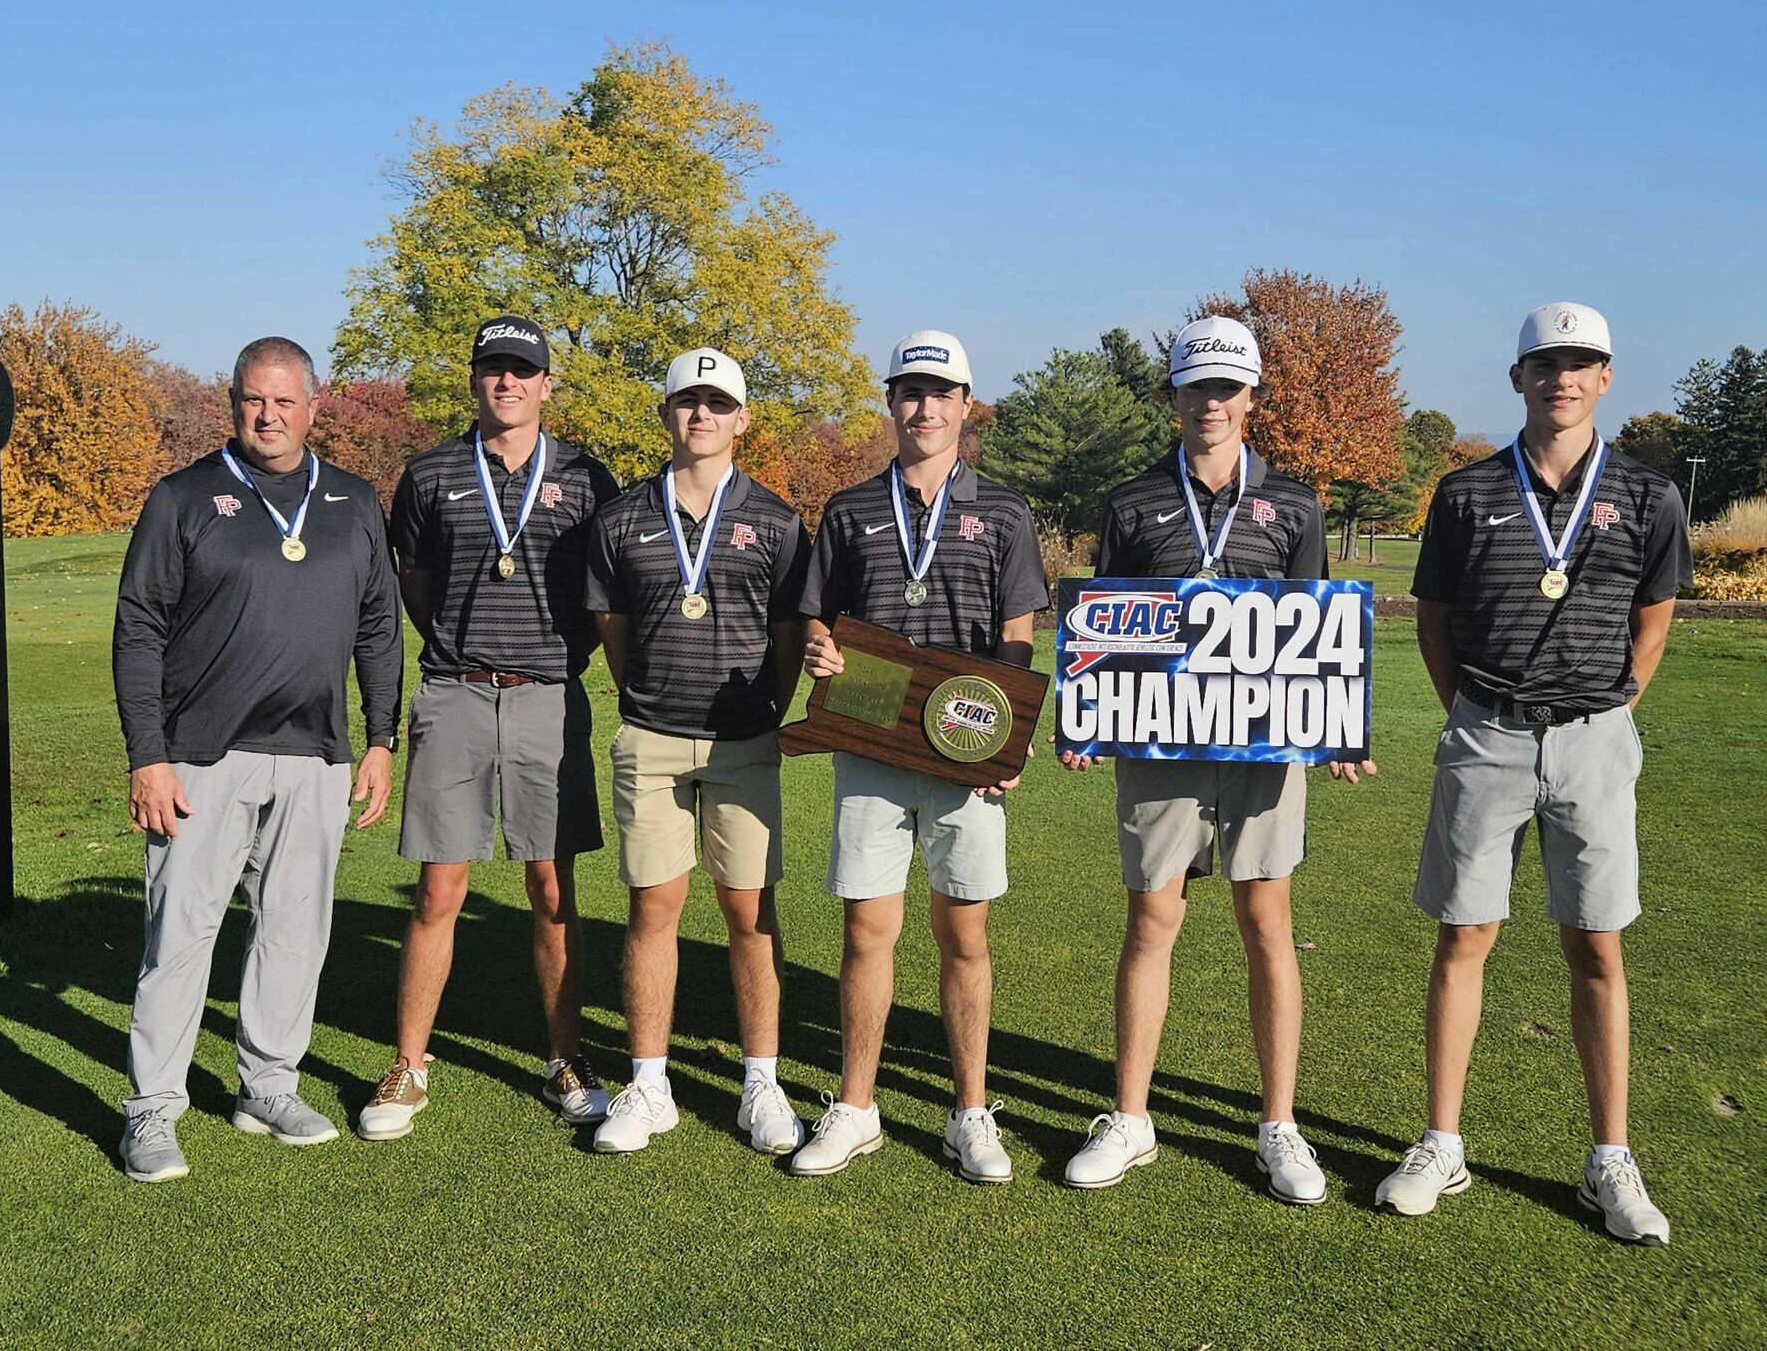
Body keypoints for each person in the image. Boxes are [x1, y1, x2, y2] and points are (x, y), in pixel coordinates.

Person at [1374, 302, 1689, 1246]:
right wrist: (1471, 714)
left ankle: (1610, 1159)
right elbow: (1434, 620)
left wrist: (1611, 708)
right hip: (1488, 733)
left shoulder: (1647, 493)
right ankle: (1442, 1143)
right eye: (1545, 363)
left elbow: (1655, 616)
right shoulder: (1467, 491)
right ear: (1518, 377)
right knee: (1464, 935)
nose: (1562, 378)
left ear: (1605, 377)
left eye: (1580, 363)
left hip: (1594, 738)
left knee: (1597, 944)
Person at [1057, 316, 1373, 1198]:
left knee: (1267, 920)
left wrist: (1334, 726)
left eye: (1228, 388)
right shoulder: (1132, 501)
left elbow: (1316, 626)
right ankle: (1131, 1117)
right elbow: (1106, 624)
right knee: (1152, 918)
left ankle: (1280, 1126)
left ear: (1251, 397)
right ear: (1174, 396)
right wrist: (1089, 717)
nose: (1212, 403)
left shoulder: (1295, 504)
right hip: (1162, 739)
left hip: (1264, 745)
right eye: (1197, 386)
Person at [113, 336, 403, 1182]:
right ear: (232, 402)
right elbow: (138, 628)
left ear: (314, 406)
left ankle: (269, 1086)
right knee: (180, 937)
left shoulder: (353, 500)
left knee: (294, 932)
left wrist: (380, 738)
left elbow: (380, 626)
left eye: (283, 401)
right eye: (253, 399)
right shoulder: (184, 497)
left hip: (316, 754)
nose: (267, 416)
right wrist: (148, 754)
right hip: (201, 756)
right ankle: (152, 1110)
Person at [788, 330, 1049, 1184]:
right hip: (869, 738)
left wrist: (1008, 737)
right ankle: (856, 1107)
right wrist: (818, 646)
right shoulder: (851, 507)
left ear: (967, 405)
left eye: (942, 393)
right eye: (911, 391)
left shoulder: (1004, 510)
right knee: (867, 929)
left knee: (963, 932)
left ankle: (970, 1111)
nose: (925, 407)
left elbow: (1016, 632)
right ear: (892, 402)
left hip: (965, 749)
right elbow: (818, 612)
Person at [357, 315, 618, 1142]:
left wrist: (557, 654)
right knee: (440, 888)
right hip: (456, 692)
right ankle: (409, 1064)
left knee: (551, 886)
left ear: (546, 385)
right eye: (493, 369)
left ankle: (566, 1057)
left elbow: (604, 589)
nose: (507, 382)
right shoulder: (432, 472)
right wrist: (459, 644)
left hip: (548, 695)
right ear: (474, 380)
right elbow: (415, 579)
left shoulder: (585, 476)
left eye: (522, 370)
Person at [582, 349, 811, 1156]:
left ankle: (761, 1083)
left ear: (742, 418)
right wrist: (651, 698)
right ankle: (650, 1084)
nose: (701, 415)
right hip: (650, 738)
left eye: (717, 403)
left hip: (743, 741)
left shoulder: (778, 520)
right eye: (688, 401)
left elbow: (789, 636)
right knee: (653, 907)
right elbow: (612, 627)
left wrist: (765, 711)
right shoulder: (620, 518)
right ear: (666, 414)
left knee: (750, 911)